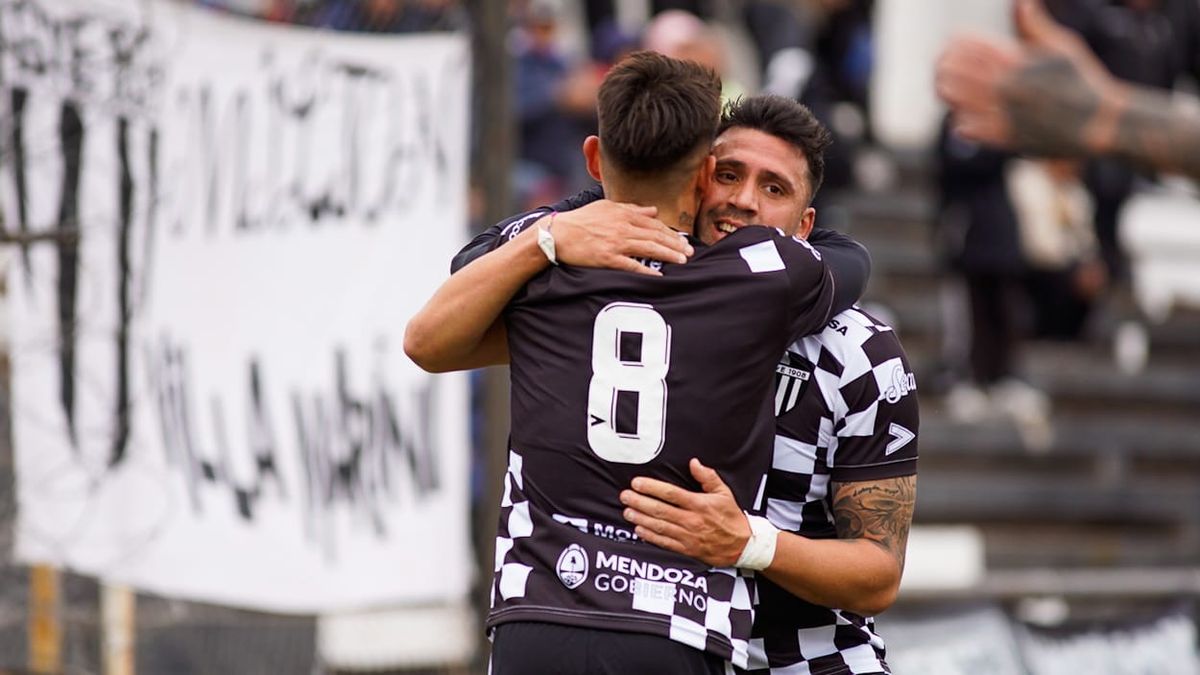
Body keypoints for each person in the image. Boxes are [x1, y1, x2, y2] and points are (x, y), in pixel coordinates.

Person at [407, 93, 915, 673]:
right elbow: (452, 305)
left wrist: (752, 543)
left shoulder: (860, 350)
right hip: (654, 636)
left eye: (773, 189)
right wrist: (567, 227)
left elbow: (878, 575)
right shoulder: (606, 294)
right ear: (695, 181)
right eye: (727, 174)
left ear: (805, 227)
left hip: (810, 660)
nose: (743, 201)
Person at [935, 0, 1200, 182]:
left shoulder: (1182, 15)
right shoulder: (1095, 12)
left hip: (1141, 169)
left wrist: (1108, 117)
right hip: (1080, 155)